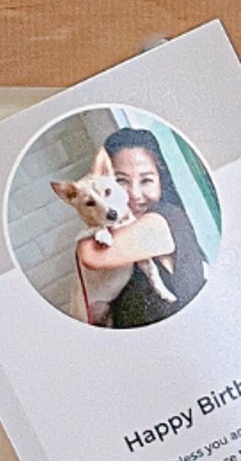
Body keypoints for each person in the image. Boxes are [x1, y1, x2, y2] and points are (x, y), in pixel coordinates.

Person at [71, 127, 209, 327]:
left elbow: (90, 254)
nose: (134, 194)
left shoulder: (166, 219)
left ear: (162, 179)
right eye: (121, 181)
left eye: (146, 180)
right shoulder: (118, 231)